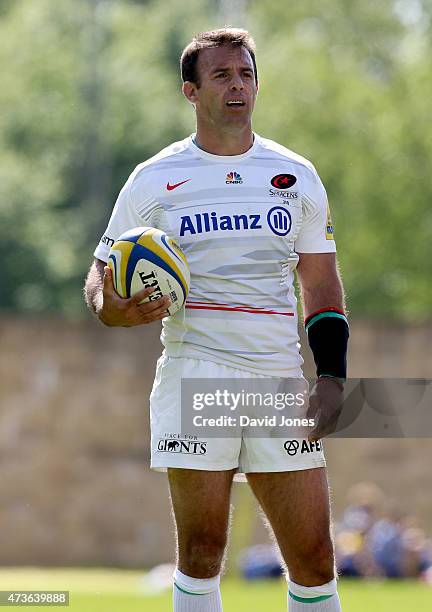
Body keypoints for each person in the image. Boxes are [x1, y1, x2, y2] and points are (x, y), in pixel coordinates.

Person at [84, 28, 349, 612]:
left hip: (278, 377)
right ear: (191, 91)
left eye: (246, 74)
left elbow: (321, 281)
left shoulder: (296, 174)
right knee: (202, 552)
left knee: (314, 558)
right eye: (222, 75)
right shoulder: (153, 178)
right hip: (193, 372)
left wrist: (331, 376)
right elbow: (100, 276)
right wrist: (112, 309)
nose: (238, 86)